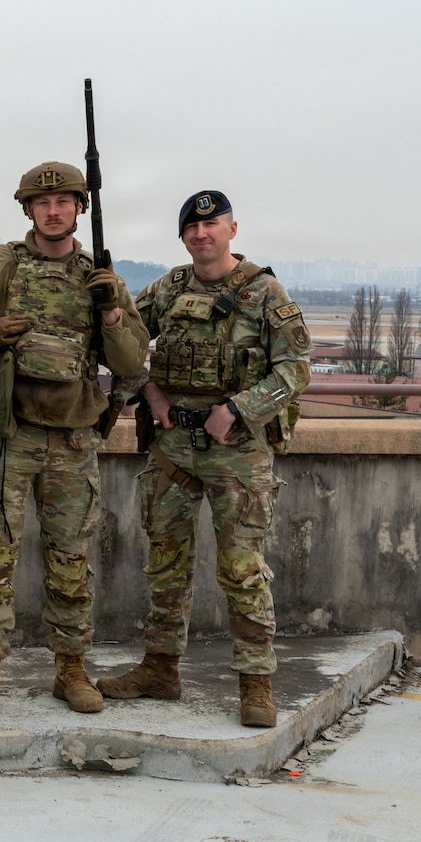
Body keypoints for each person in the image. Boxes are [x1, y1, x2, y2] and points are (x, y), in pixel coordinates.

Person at [0, 161, 148, 717]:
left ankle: (71, 670)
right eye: (42, 202)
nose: (53, 210)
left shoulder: (101, 277)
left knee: (71, 559)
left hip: (74, 439)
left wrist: (109, 313)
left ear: (80, 208)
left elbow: (132, 362)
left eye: (64, 202)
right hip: (8, 436)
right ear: (28, 209)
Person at [100, 190, 310, 727]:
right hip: (172, 449)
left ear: (232, 229)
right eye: (192, 228)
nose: (202, 234)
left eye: (212, 225)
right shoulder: (167, 289)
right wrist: (150, 394)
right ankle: (160, 669)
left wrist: (239, 408)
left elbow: (294, 370)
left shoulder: (265, 293)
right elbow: (121, 344)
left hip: (236, 453)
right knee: (164, 563)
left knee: (242, 570)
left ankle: (256, 684)